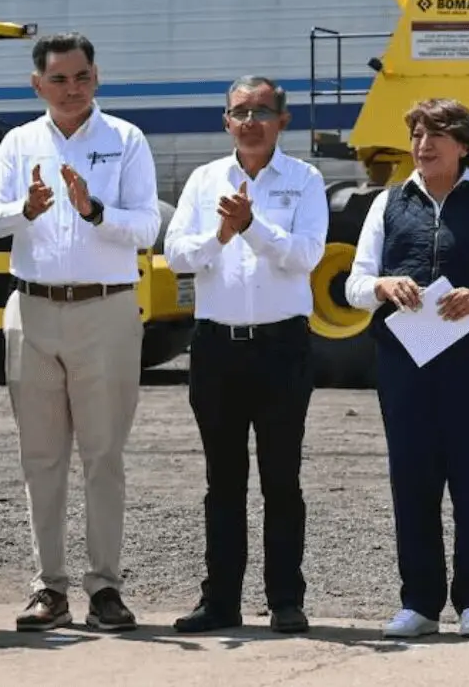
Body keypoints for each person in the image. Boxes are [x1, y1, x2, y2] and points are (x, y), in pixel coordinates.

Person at [0, 31, 162, 633]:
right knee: (41, 458)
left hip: (106, 312)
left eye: (81, 76)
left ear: (96, 77)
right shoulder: (18, 142)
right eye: (58, 79)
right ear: (38, 85)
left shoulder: (125, 140)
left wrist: (94, 213)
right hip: (32, 311)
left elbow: (149, 227)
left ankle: (105, 586)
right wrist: (25, 210)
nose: (71, 88)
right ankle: (48, 588)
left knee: (103, 456)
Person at [344, 97, 469, 640]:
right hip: (404, 365)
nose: (422, 146)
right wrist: (382, 286)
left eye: (435, 135)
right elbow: (354, 285)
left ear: (463, 145)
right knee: (411, 480)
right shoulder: (387, 204)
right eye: (416, 135)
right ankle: (420, 603)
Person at [163, 76, 328, 635]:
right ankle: (221, 602)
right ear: (225, 121)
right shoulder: (206, 179)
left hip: (282, 347)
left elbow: (305, 255)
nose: (251, 120)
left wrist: (254, 227)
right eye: (241, 111)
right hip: (217, 348)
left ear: (283, 120)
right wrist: (222, 236)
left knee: (282, 480)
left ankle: (285, 599)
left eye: (262, 111)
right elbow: (176, 256)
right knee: (223, 482)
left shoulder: (304, 180)